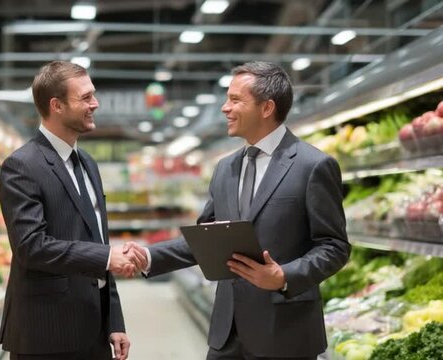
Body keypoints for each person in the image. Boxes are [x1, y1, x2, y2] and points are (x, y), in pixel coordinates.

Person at [126, 61, 351, 359]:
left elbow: (335, 246)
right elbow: (207, 240)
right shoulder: (225, 168)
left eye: (235, 100)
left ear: (267, 108)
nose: (224, 108)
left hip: (285, 334)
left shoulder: (312, 166)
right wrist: (150, 256)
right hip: (227, 334)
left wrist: (284, 276)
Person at [0, 61, 146, 360]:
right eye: (85, 97)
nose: (95, 103)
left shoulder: (88, 164)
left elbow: (99, 241)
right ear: (57, 105)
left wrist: (114, 320)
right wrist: (107, 257)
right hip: (47, 333)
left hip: (93, 328)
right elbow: (31, 247)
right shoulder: (22, 165)